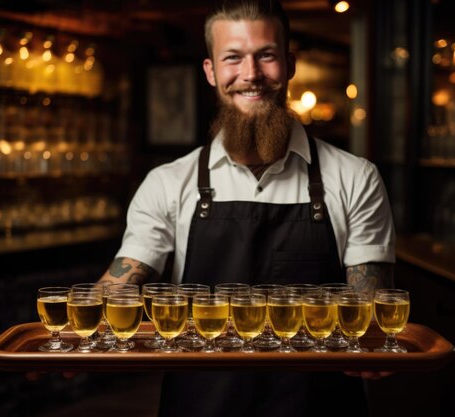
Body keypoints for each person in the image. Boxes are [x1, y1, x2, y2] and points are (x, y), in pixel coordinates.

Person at [99, 0, 395, 415]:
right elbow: (120, 282)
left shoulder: (355, 177)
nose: (251, 74)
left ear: (289, 64)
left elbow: (370, 312)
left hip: (317, 406)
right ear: (211, 71)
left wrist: (376, 344)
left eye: (266, 56)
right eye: (233, 58)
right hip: (200, 404)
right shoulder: (168, 183)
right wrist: (63, 336)